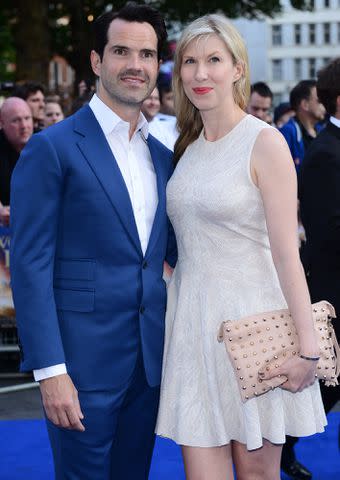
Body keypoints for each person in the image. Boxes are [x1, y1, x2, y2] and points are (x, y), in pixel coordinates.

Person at [155, 14, 326, 480]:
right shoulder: (186, 147)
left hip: (254, 328)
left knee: (255, 475)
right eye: (189, 61)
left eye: (214, 59)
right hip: (192, 327)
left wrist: (308, 350)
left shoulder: (264, 142)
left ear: (237, 68)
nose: (200, 73)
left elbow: (287, 254)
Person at [10, 3, 176, 480]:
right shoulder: (52, 148)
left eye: (146, 54)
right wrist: (50, 371)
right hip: (79, 370)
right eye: (121, 50)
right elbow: (30, 266)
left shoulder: (163, 157)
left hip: (148, 367)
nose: (135, 65)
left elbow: (174, 256)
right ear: (97, 61)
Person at [299, 56, 340, 444]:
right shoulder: (325, 153)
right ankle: (282, 449)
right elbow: (328, 231)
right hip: (334, 295)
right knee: (325, 388)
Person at [280, 80, 325, 174]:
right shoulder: (287, 133)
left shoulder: (323, 131)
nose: (324, 104)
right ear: (305, 104)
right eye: (320, 101)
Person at [0, 97, 33, 225]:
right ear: (2, 123)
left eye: (27, 118)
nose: (24, 126)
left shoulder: (45, 141)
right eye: (16, 121)